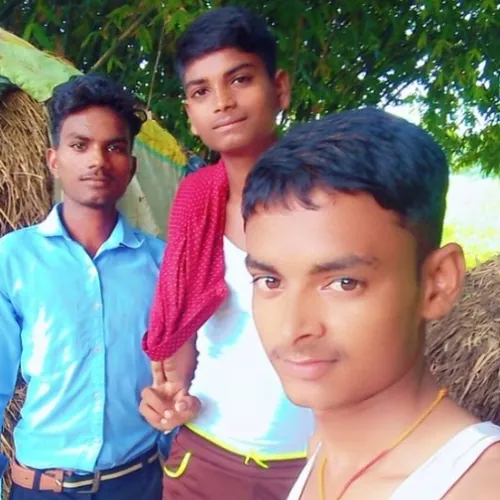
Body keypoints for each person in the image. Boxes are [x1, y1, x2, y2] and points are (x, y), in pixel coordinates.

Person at [242, 108, 500, 500]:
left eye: (344, 283)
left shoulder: (481, 486)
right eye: (270, 281)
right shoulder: (323, 450)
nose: (291, 328)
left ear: (437, 283)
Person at [140, 6, 314, 499]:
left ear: (279, 88)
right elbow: (181, 326)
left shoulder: (331, 198)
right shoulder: (195, 201)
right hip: (206, 457)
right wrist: (174, 401)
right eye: (201, 91)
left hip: (315, 459)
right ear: (190, 116)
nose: (222, 102)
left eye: (239, 79)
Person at [0, 74, 165, 499]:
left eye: (114, 147)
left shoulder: (162, 263)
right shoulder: (12, 259)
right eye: (80, 145)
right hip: (41, 488)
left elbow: (180, 375)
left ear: (131, 165)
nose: (98, 161)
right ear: (54, 160)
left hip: (139, 484)